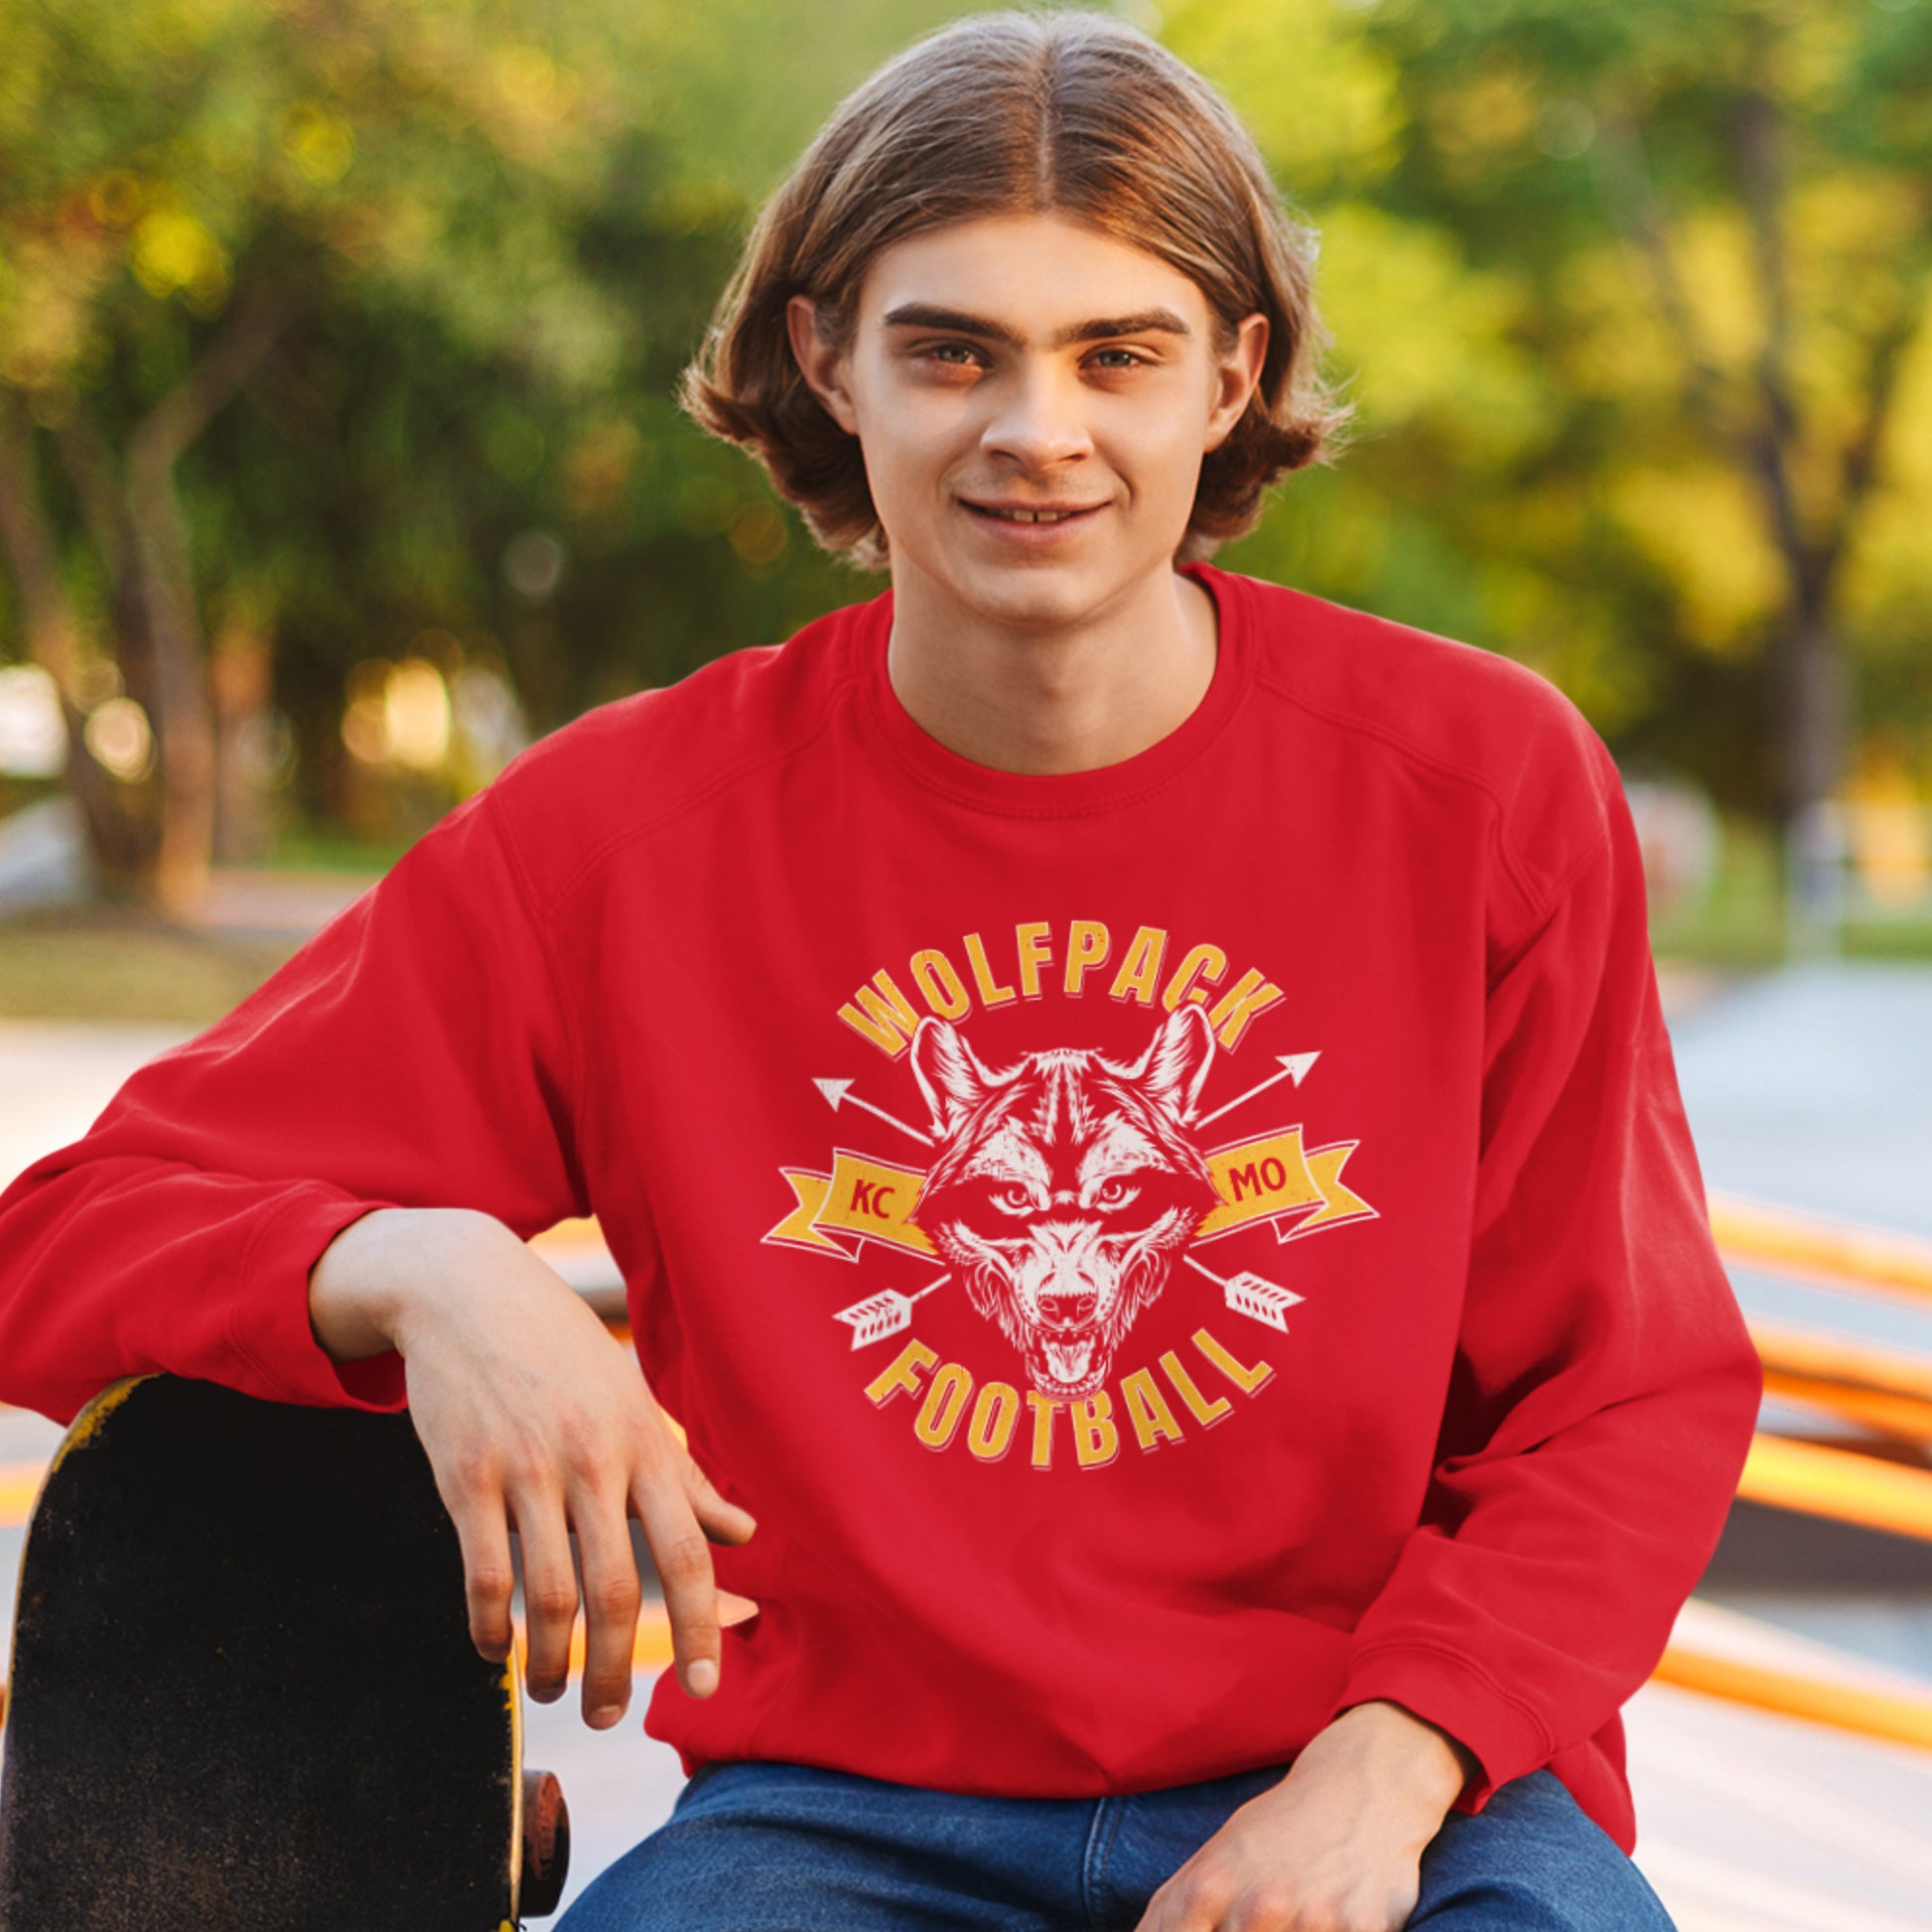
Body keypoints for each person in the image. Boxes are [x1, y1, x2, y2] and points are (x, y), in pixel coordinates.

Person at [0, 11, 1762, 1929]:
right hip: (833, 1820)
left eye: (1116, 354)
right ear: (829, 357)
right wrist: (425, 1267)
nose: (1037, 429)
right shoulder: (621, 838)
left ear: (1230, 375)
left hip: (1395, 1788)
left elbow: (1627, 1396)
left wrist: (1386, 1767)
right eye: (953, 350)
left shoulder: (1480, 786)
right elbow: (66, 1233)